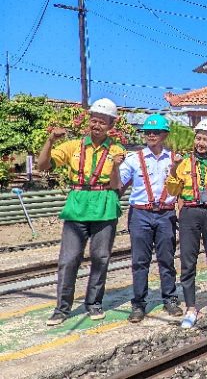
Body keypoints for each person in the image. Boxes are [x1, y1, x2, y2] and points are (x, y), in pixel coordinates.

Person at [37, 98, 126, 325]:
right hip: (77, 206)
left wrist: (115, 165)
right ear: (89, 121)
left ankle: (94, 303)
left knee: (101, 257)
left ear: (111, 125)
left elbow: (117, 185)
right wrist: (50, 141)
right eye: (94, 121)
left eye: (103, 122)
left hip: (105, 206)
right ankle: (62, 308)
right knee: (68, 259)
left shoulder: (117, 150)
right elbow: (43, 165)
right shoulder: (72, 147)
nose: (97, 126)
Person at [166, 118, 207, 329]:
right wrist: (173, 169)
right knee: (188, 262)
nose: (200, 143)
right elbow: (172, 191)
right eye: (198, 138)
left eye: (206, 139)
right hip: (190, 213)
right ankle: (191, 308)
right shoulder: (184, 162)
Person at [119, 114, 183, 323]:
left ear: (165, 134)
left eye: (156, 132)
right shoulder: (133, 160)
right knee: (140, 261)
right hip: (140, 214)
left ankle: (170, 298)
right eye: (148, 132)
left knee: (167, 258)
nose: (151, 135)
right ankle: (139, 303)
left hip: (166, 213)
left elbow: (182, 188)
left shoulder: (175, 159)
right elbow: (118, 184)